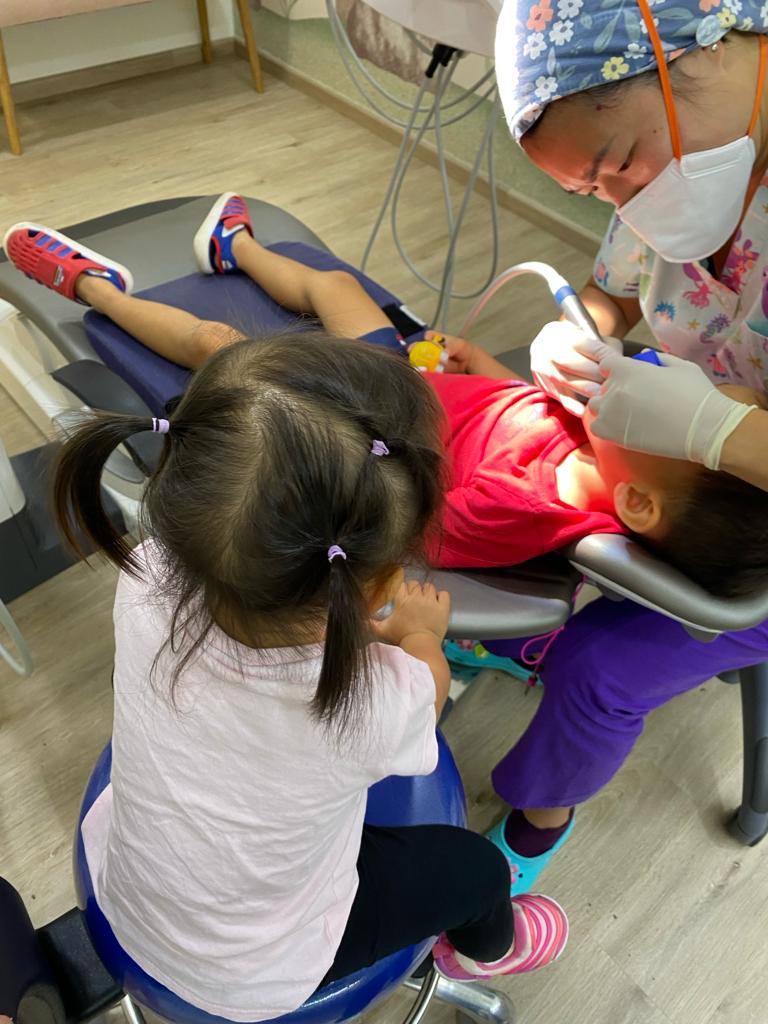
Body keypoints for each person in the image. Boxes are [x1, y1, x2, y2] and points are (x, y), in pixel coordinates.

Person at [48, 322, 568, 1016]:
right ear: (378, 585)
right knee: (472, 869)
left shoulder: (143, 572)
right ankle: (488, 946)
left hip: (130, 890)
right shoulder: (375, 701)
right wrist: (420, 636)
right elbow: (428, 695)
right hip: (254, 971)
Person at [6, 203, 768, 602]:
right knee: (335, 287)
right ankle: (234, 247)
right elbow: (514, 420)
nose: (670, 376)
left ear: (637, 503)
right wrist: (492, 376)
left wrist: (323, 423)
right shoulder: (601, 435)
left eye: (691, 403)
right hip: (404, 380)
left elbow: (403, 516)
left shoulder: (527, 508)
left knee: (216, 345)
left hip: (353, 420)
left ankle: (91, 286)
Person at [467, 0, 768, 891]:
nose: (627, 205)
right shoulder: (667, 188)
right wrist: (578, 331)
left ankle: (536, 822)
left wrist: (722, 427)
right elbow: (618, 292)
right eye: (595, 193)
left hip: (753, 547)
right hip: (681, 473)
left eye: (620, 167)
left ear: (708, 49)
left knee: (600, 667)